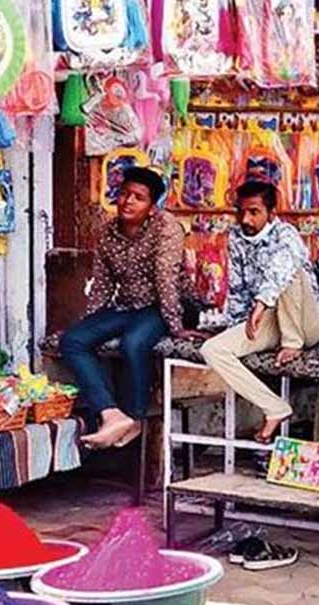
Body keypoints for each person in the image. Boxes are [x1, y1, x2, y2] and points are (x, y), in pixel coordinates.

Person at [60, 167, 195, 448]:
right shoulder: (107, 232)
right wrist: (91, 323)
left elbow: (166, 278)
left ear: (152, 207)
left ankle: (135, 418)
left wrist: (176, 327)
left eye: (138, 197)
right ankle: (111, 414)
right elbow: (103, 283)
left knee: (133, 343)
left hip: (167, 305)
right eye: (124, 194)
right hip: (129, 306)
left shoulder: (167, 227)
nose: (128, 201)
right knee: (73, 340)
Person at [200, 181, 319, 444]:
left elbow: (280, 272)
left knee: (291, 274)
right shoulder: (236, 237)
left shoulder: (286, 234)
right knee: (213, 350)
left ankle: (292, 343)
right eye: (241, 212)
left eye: (254, 212)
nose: (245, 219)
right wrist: (236, 326)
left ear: (271, 213)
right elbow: (237, 288)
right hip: (270, 319)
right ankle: (274, 408)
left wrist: (261, 305)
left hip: (309, 324)